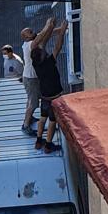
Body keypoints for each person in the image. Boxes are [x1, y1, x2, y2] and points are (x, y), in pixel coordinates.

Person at [31, 19, 68, 153]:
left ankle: (38, 140)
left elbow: (40, 44)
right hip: (54, 97)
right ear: (42, 56)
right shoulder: (49, 62)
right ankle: (48, 145)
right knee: (52, 121)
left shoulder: (35, 62)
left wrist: (49, 27)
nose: (44, 50)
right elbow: (57, 47)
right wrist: (62, 32)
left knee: (42, 118)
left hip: (45, 97)